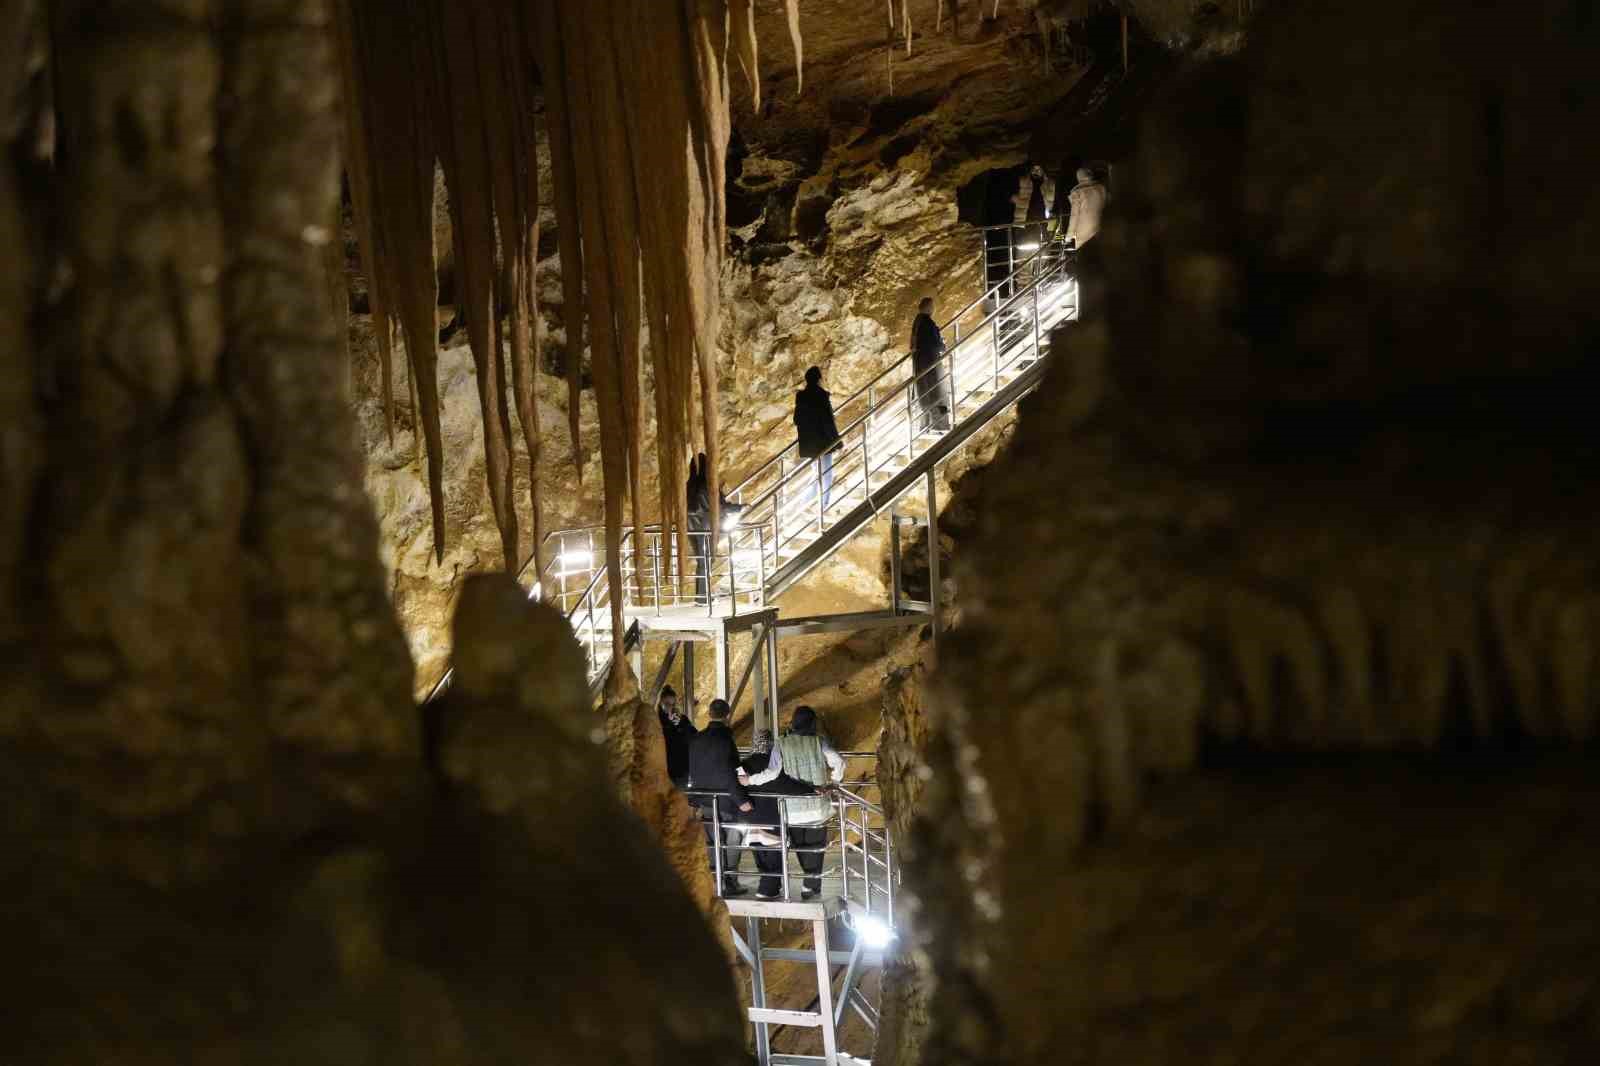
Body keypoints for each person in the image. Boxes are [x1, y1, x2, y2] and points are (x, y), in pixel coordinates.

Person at [745, 705, 846, 900]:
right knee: (816, 849)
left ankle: (809, 882)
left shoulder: (781, 743)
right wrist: (834, 782)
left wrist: (749, 780)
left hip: (792, 809)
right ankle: (811, 886)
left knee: (801, 848)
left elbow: (772, 773)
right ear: (812, 723)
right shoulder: (819, 742)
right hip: (817, 808)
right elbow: (839, 762)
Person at [738, 730, 821, 899]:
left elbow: (738, 787)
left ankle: (768, 886)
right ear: (770, 744)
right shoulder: (773, 764)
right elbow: (786, 785)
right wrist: (810, 790)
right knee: (774, 857)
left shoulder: (743, 765)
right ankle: (768, 890)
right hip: (772, 819)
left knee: (761, 855)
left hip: (751, 820)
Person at [687, 698, 753, 896]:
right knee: (732, 839)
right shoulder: (725, 739)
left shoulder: (697, 739)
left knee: (712, 841)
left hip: (705, 799)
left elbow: (693, 769)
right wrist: (741, 800)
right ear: (727, 715)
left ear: (709, 714)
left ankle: (715, 882)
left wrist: (695, 798)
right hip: (726, 800)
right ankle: (730, 882)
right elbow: (729, 772)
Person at [793, 365, 841, 512]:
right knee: (827, 475)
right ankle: (823, 505)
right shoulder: (821, 395)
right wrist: (837, 442)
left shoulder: (801, 396)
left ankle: (802, 504)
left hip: (810, 444)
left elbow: (797, 419)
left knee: (817, 474)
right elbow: (828, 421)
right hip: (823, 443)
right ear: (819, 379)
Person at [909, 297, 951, 433]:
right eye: (932, 306)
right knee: (937, 392)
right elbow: (935, 343)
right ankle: (939, 425)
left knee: (924, 393)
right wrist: (943, 344)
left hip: (921, 363)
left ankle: (925, 425)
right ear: (928, 307)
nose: (933, 309)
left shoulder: (917, 322)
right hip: (930, 363)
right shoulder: (927, 323)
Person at [656, 685, 696, 789]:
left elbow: (694, 736)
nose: (670, 707)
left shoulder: (682, 719)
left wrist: (681, 725)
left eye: (673, 704)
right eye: (667, 704)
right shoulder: (656, 721)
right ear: (660, 703)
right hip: (663, 768)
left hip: (681, 769)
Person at [1065, 165, 1107, 250]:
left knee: (1085, 258)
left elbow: (1074, 216)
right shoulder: (1102, 188)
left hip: (1083, 233)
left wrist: (1069, 236)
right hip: (1101, 229)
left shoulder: (1077, 193)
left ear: (1078, 177)